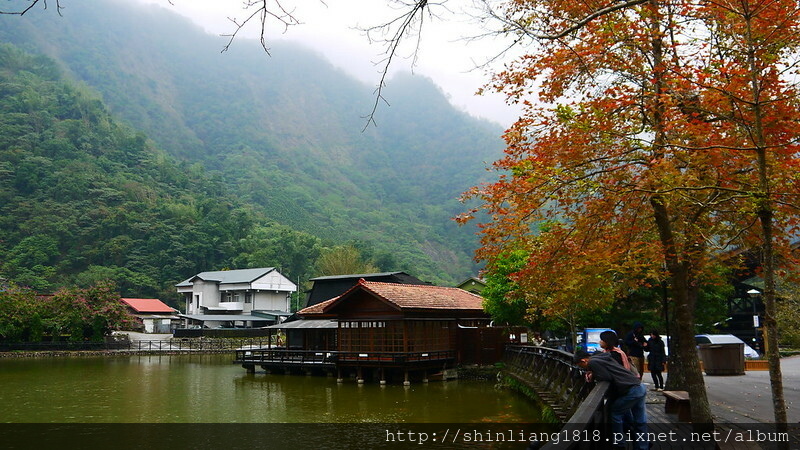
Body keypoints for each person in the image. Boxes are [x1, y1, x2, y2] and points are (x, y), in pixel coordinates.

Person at [574, 349, 649, 449]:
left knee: (615, 413)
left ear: (584, 361)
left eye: (580, 365)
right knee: (640, 422)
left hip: (631, 391)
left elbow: (606, 377)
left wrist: (594, 375)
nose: (582, 368)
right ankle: (642, 447)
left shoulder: (593, 362)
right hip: (638, 386)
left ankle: (619, 444)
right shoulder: (602, 357)